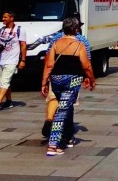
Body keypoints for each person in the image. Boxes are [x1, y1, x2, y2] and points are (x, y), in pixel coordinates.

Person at [41, 17, 95, 157]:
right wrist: (91, 79)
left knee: (65, 107)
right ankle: (54, 145)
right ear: (75, 29)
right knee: (62, 111)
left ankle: (68, 135)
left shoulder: (56, 43)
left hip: (56, 79)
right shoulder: (80, 44)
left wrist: (44, 82)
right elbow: (86, 65)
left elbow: (49, 64)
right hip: (72, 79)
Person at [0, 9, 26, 112]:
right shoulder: (1, 30)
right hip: (0, 60)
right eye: (3, 17)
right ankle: (9, 101)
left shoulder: (19, 30)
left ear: (11, 18)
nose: (3, 19)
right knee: (3, 83)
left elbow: (23, 45)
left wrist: (23, 60)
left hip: (12, 60)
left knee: (4, 82)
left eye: (5, 17)